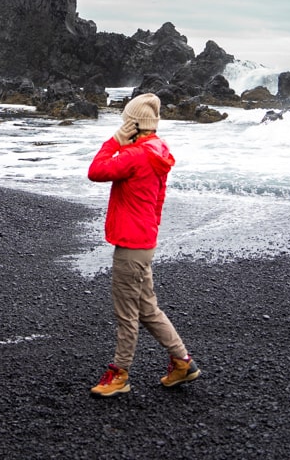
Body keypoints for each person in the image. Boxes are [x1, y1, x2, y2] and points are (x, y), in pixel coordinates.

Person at [86, 92, 200, 397]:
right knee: (147, 309)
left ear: (134, 125)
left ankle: (119, 374)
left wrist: (114, 141)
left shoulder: (135, 155)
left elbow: (96, 171)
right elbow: (158, 200)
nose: (122, 125)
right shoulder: (158, 150)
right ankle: (182, 363)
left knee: (126, 313)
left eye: (125, 121)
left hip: (131, 244)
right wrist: (150, 231)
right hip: (144, 239)